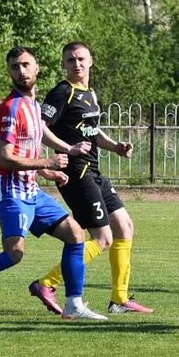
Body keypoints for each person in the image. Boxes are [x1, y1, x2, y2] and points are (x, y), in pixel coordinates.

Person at [0, 46, 108, 323]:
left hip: (31, 190)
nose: (21, 71)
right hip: (10, 191)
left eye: (26, 65)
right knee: (14, 253)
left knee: (75, 234)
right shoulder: (10, 108)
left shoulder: (33, 106)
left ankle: (73, 304)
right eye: (15, 67)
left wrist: (58, 161)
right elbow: (3, 157)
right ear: (9, 72)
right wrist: (47, 164)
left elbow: (36, 140)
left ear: (37, 68)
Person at [28, 41, 153, 315]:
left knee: (125, 226)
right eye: (71, 60)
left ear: (91, 61)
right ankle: (46, 283)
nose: (77, 64)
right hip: (76, 173)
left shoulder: (90, 93)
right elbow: (39, 128)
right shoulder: (62, 93)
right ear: (63, 65)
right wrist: (64, 151)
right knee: (103, 238)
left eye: (81, 59)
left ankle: (119, 299)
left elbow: (92, 132)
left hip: (94, 171)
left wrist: (116, 146)